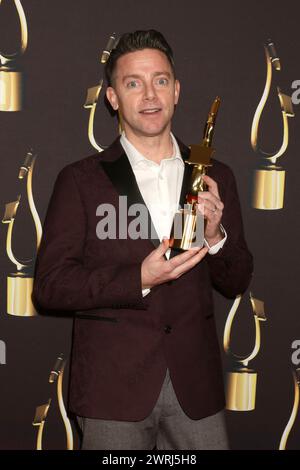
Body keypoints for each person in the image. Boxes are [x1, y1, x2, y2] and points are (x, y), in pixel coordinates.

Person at [32, 30, 253, 450]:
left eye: (161, 80)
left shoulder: (214, 175)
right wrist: (139, 277)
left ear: (177, 90)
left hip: (196, 389)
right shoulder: (80, 181)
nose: (150, 94)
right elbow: (50, 286)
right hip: (112, 391)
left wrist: (215, 235)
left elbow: (237, 279)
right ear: (113, 97)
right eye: (133, 82)